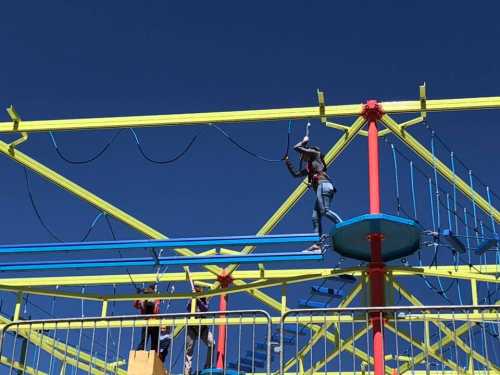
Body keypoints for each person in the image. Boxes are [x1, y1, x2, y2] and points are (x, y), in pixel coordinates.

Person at [285, 134, 342, 251]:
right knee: (315, 217)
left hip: (324, 186)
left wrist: (303, 142)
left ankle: (342, 225)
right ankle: (317, 244)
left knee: (324, 211)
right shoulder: (309, 168)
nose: (302, 156)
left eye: (303, 154)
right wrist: (287, 162)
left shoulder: (315, 155)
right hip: (321, 189)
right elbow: (296, 174)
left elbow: (296, 147)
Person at [183, 285, 215, 375]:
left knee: (212, 343)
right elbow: (188, 308)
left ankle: (207, 366)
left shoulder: (204, 300)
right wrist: (194, 298)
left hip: (202, 327)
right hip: (192, 327)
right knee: (189, 349)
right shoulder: (191, 300)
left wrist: (199, 300)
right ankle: (187, 370)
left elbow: (205, 309)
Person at [133, 285, 161, 353]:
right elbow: (135, 305)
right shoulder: (143, 300)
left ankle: (154, 354)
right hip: (148, 322)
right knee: (144, 341)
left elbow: (156, 308)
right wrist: (138, 295)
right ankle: (140, 351)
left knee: (154, 343)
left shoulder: (156, 298)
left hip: (154, 322)